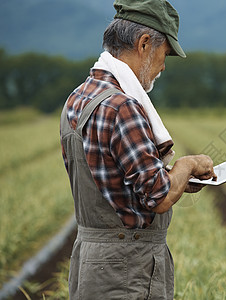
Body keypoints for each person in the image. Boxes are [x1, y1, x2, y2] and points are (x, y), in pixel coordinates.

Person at [59, 0, 216, 299]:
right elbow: (158, 196)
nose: (163, 65)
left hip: (90, 262)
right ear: (145, 44)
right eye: (165, 53)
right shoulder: (122, 106)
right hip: (126, 267)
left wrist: (177, 179)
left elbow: (120, 180)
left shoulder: (78, 98)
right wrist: (188, 165)